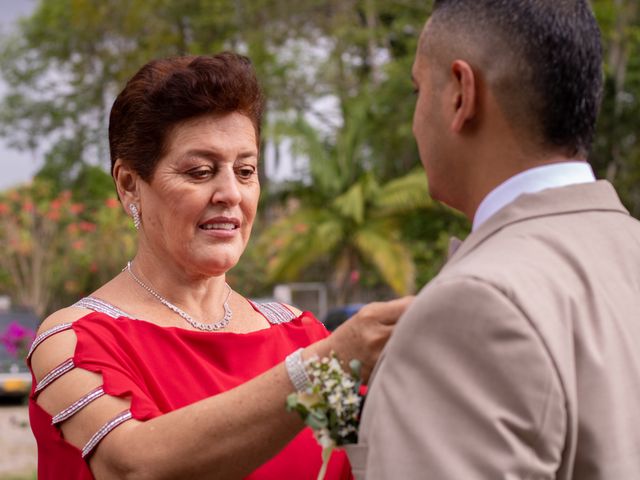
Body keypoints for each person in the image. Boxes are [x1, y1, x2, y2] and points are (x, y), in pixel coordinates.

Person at [27, 52, 411, 479]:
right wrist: (320, 367)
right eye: (200, 171)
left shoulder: (301, 334)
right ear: (129, 184)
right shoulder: (74, 340)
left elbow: (377, 460)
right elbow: (134, 465)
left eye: (245, 171)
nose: (230, 192)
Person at [350, 1, 640, 479]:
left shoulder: (476, 307)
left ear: (461, 95)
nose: (414, 120)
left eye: (420, 89)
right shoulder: (625, 250)